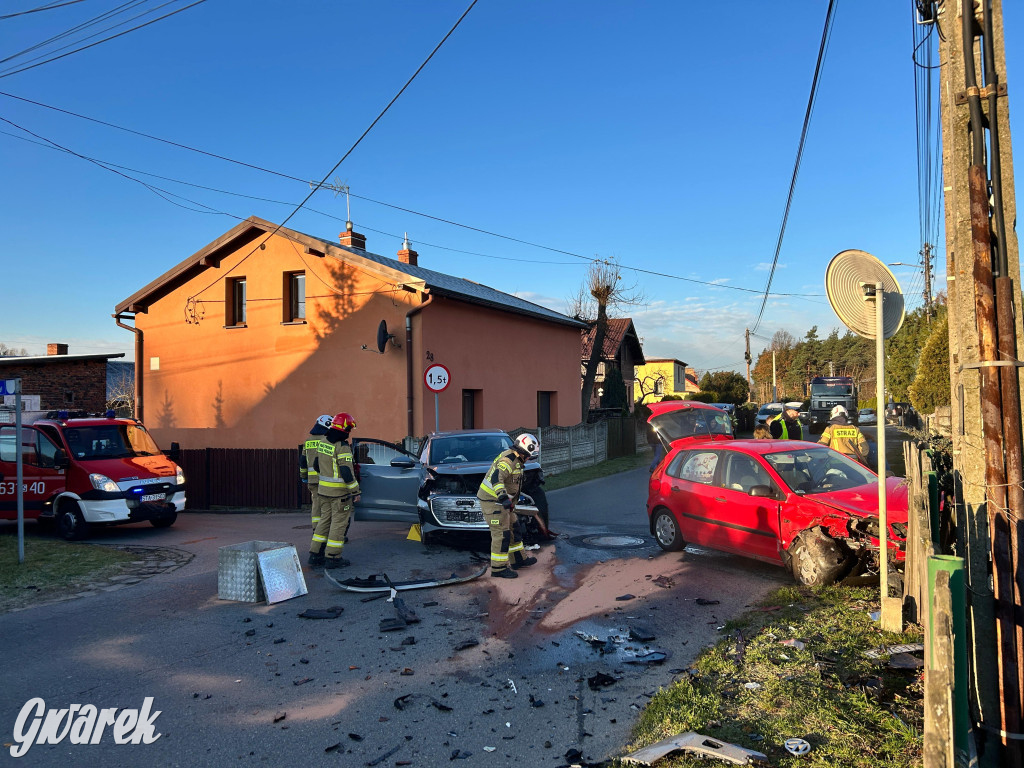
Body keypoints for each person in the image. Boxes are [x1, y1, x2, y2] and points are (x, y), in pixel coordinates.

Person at [477, 433, 540, 579]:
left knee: (514, 528)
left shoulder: (517, 459)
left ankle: (518, 559)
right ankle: (498, 568)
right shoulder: (508, 460)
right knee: (502, 534)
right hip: (493, 502)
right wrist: (503, 497)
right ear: (523, 451)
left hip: (503, 502)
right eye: (529, 455)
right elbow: (496, 478)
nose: (529, 458)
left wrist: (510, 501)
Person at [309, 412, 359, 569]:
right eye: (349, 428)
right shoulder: (342, 446)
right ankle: (333, 557)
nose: (349, 432)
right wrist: (355, 491)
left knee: (324, 521)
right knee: (338, 524)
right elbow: (346, 471)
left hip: (323, 492)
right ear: (344, 428)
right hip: (339, 495)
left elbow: (316, 465)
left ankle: (315, 555)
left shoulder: (323, 442)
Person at [300, 414, 333, 532]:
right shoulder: (328, 440)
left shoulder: (308, 441)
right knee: (328, 506)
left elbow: (303, 461)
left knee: (316, 504)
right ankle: (327, 531)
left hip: (312, 480)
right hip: (327, 479)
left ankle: (316, 528)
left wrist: (304, 476)